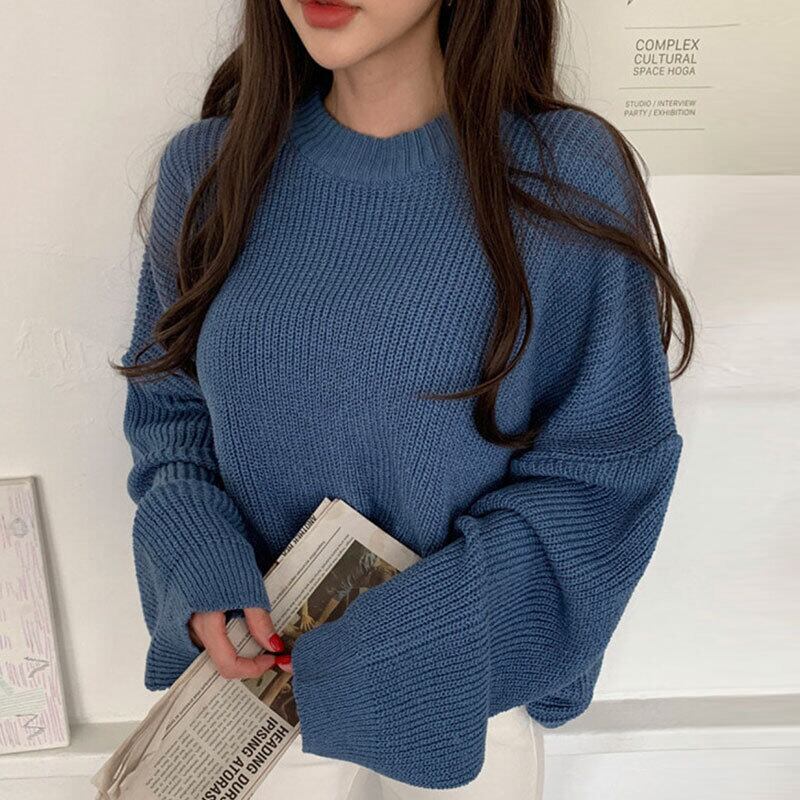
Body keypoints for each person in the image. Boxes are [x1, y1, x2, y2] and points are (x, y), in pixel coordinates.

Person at [112, 0, 694, 796]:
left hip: (456, 707)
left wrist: (402, 647)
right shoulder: (211, 170)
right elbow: (170, 415)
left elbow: (605, 474)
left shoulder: (563, 172)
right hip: (250, 702)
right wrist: (198, 563)